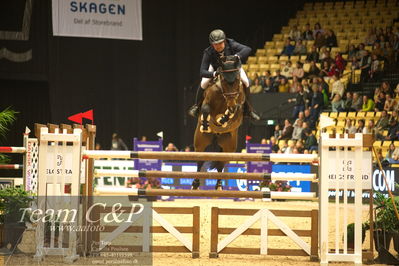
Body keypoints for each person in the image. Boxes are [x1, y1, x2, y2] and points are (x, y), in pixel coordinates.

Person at [188, 29, 260, 120]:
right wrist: (214, 73)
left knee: (246, 81)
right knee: (204, 82)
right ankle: (196, 107)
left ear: (224, 41)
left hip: (233, 68)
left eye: (220, 43)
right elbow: (202, 71)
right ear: (212, 44)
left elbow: (247, 49)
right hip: (216, 68)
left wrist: (237, 56)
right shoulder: (208, 52)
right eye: (215, 44)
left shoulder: (231, 43)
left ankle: (249, 110)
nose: (218, 46)